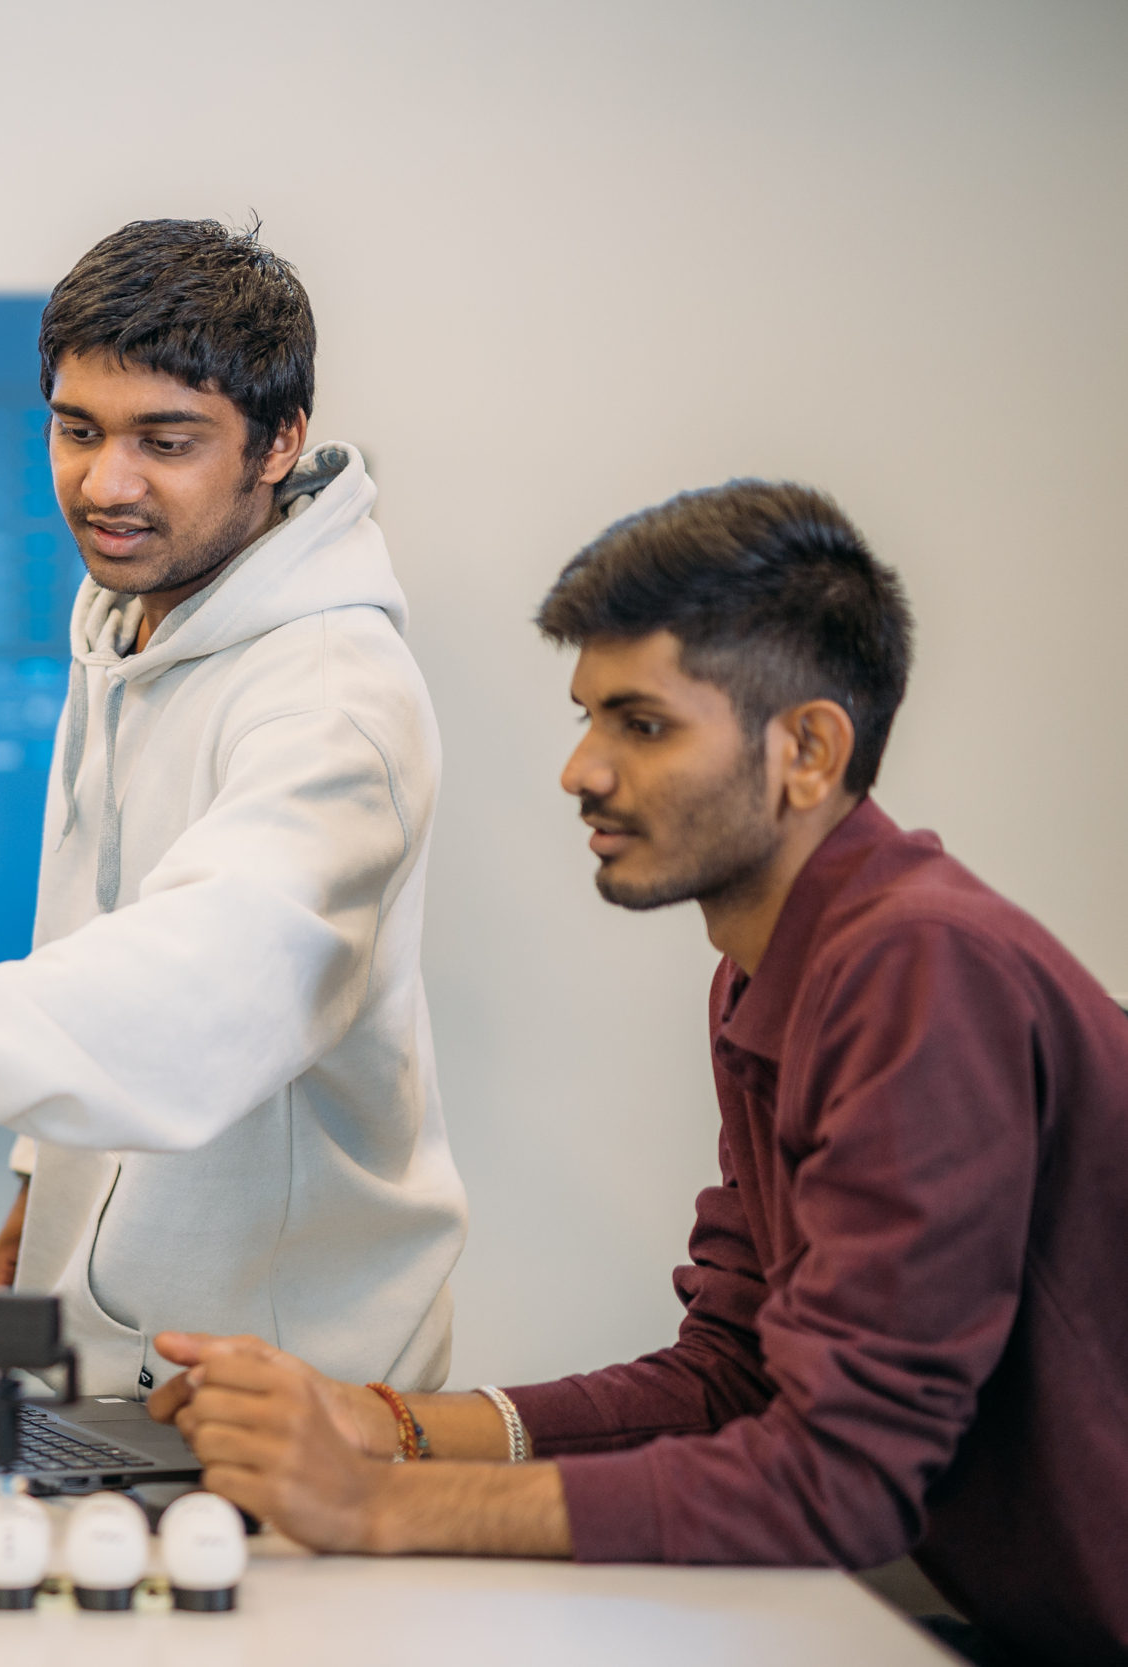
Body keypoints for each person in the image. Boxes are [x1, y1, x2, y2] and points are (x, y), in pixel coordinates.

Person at [151, 480, 1127, 1665]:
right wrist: (388, 1426)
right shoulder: (774, 970)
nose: (579, 769)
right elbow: (732, 1376)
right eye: (585, 717)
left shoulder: (919, 967)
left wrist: (374, 1505)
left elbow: (839, 1482)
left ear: (806, 750)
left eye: (640, 723)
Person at [0, 219, 468, 1398]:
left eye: (167, 441)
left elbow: (206, 985)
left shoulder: (331, 697)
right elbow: (90, 930)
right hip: (113, 1354)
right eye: (77, 430)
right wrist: (32, 1186)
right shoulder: (131, 621)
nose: (106, 483)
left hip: (290, 1378)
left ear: (279, 443)